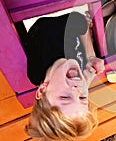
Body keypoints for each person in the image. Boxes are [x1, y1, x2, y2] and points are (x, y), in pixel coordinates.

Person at [25, 12, 105, 140]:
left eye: (65, 97)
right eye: (83, 97)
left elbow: (78, 19)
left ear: (42, 90)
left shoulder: (48, 39)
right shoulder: (78, 72)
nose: (77, 89)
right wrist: (91, 57)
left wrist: (85, 29)